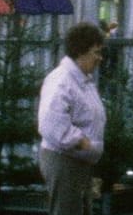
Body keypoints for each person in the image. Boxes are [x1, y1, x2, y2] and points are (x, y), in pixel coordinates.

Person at [38, 22, 107, 215]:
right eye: (96, 52)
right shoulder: (61, 81)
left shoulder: (83, 81)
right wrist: (81, 141)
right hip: (65, 160)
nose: (99, 58)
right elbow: (51, 124)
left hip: (79, 161)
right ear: (80, 52)